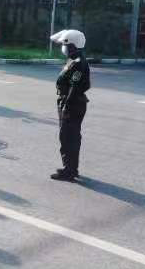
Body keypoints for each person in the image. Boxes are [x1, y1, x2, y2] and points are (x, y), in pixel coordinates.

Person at [49, 29, 91, 181]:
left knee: (68, 137)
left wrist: (67, 105)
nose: (64, 48)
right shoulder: (74, 60)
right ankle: (71, 168)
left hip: (72, 103)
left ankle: (70, 171)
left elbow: (75, 86)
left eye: (65, 45)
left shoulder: (78, 63)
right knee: (69, 136)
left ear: (73, 46)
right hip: (70, 102)